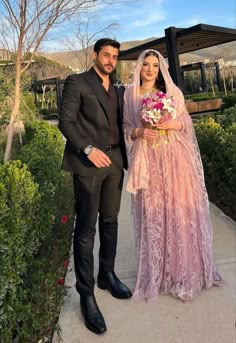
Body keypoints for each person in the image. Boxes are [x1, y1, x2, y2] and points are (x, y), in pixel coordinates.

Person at [123, 49, 222, 301]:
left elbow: (186, 123)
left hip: (175, 161)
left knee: (178, 213)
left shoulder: (171, 92)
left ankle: (183, 271)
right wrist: (139, 132)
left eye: (155, 65)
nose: (150, 69)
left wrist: (171, 124)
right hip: (150, 162)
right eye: (146, 64)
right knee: (156, 214)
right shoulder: (130, 94)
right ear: (139, 67)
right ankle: (160, 271)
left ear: (160, 69)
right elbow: (125, 127)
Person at [59, 38, 132, 335]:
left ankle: (107, 275)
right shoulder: (77, 82)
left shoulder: (117, 88)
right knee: (87, 229)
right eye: (106, 55)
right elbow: (66, 121)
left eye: (115, 57)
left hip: (115, 160)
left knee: (111, 221)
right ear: (95, 55)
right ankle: (87, 295)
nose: (110, 61)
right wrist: (87, 148)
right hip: (89, 163)